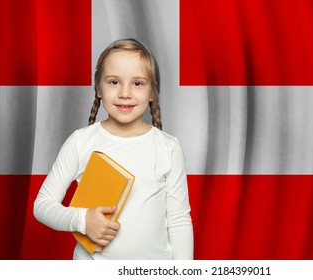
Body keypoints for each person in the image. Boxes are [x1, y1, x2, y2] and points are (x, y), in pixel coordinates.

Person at [33, 38, 193, 260]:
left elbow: (178, 220)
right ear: (98, 88)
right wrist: (83, 220)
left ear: (152, 93)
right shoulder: (81, 142)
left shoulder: (168, 147)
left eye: (137, 83)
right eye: (114, 82)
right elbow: (42, 205)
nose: (125, 93)